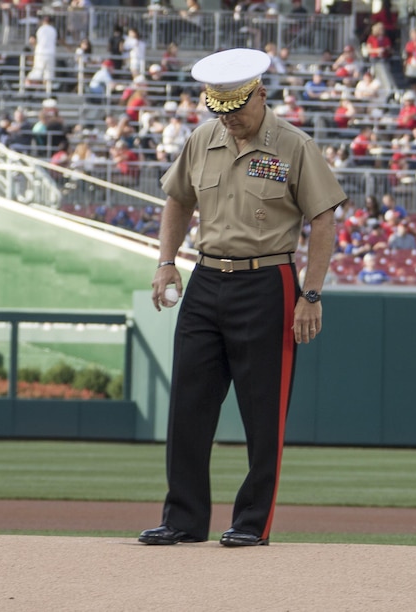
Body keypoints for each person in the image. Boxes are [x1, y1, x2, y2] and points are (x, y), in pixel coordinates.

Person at [139, 49, 347, 548]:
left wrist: (311, 293)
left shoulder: (294, 146)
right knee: (188, 406)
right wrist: (166, 262)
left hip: (267, 281)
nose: (229, 120)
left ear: (260, 95)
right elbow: (178, 200)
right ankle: (183, 519)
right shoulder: (202, 138)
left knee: (263, 411)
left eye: (237, 109)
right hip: (206, 279)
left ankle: (251, 522)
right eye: (220, 111)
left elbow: (324, 220)